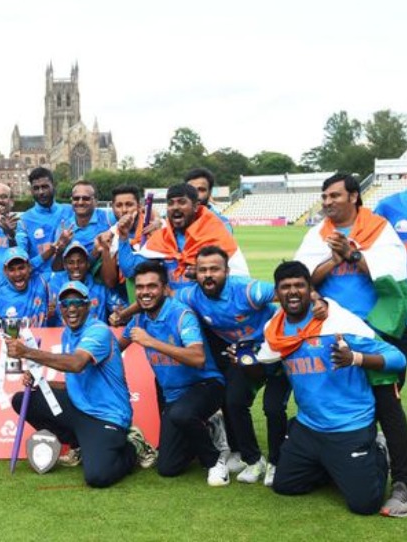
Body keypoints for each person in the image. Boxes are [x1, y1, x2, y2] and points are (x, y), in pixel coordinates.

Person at [293, 172, 407, 516]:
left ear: (354, 197)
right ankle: (344, 461)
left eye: (334, 196)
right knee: (336, 397)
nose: (327, 203)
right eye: (324, 197)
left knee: (386, 402)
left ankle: (403, 484)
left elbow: (397, 276)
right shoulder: (318, 234)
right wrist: (335, 259)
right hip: (333, 330)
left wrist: (355, 256)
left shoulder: (378, 229)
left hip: (374, 329)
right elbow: (304, 278)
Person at [262, 261, 405, 515]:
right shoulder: (275, 329)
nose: (293, 292)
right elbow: (265, 361)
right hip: (310, 426)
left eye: (299, 286)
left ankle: (378, 450)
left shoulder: (338, 323)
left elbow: (398, 359)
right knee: (285, 485)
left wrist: (356, 358)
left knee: (364, 505)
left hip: (349, 425)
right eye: (286, 287)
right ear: (277, 292)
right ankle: (329, 461)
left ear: (310, 290)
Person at [4, 281, 155, 487]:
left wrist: (26, 352)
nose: (71, 309)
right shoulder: (68, 333)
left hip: (106, 415)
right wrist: (42, 382)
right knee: (24, 400)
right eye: (65, 304)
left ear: (88, 306)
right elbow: (74, 383)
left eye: (77, 303)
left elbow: (76, 364)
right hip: (80, 408)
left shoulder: (98, 331)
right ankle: (78, 445)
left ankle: (134, 447)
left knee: (97, 477)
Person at [172, 246, 287, 485]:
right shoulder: (191, 295)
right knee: (233, 400)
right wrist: (125, 314)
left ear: (227, 271)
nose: (208, 275)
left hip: (275, 349)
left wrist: (320, 304)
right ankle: (254, 460)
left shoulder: (246, 290)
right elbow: (165, 300)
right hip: (242, 355)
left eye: (215, 269)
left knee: (274, 407)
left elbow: (287, 292)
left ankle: (277, 462)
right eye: (203, 270)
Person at [116, 261, 228, 486]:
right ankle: (206, 427)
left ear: (164, 288)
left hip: (206, 385)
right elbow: (115, 350)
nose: (145, 292)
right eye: (140, 287)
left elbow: (197, 358)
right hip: (174, 396)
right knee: (168, 468)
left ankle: (216, 460)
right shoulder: (139, 319)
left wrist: (152, 342)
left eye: (151, 286)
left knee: (181, 415)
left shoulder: (181, 314)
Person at [118, 183, 248, 291]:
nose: (175, 207)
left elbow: (241, 280)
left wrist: (205, 276)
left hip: (209, 315)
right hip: (176, 315)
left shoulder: (216, 236)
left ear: (196, 206)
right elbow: (129, 270)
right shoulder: (161, 240)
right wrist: (123, 237)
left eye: (182, 202)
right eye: (171, 203)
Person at [48, 241, 125, 327]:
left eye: (80, 262)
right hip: (62, 337)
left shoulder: (99, 286)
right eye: (71, 262)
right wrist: (50, 315)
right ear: (65, 265)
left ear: (88, 264)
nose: (76, 266)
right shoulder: (55, 284)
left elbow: (121, 310)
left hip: (95, 336)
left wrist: (119, 315)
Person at [0, 248, 52, 328]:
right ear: (5, 271)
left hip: (41, 339)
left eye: (21, 268)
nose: (17, 274)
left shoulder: (41, 282)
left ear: (29, 267)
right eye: (12, 270)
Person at [15, 167, 67, 277]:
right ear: (31, 190)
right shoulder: (24, 220)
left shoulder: (70, 211)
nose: (41, 192)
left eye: (45, 187)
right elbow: (23, 262)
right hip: (38, 283)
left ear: (54, 186)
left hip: (66, 283)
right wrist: (51, 251)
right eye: (36, 188)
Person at [52, 180, 111, 267]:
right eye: (76, 198)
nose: (80, 202)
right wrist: (60, 250)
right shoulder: (64, 227)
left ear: (95, 201)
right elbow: (56, 268)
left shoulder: (108, 218)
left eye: (86, 198)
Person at [184, 168, 232, 233]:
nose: (196, 194)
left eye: (201, 190)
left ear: (210, 192)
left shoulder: (222, 223)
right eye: (191, 189)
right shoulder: (176, 221)